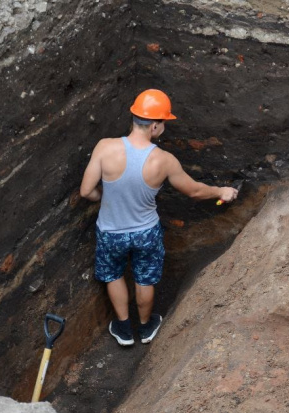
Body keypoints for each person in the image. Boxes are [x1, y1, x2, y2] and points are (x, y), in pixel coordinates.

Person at [80, 89, 238, 346]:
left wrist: (104, 197)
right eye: (164, 122)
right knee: (144, 279)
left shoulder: (104, 147)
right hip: (146, 232)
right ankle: (145, 326)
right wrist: (221, 191)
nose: (164, 127)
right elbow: (195, 191)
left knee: (113, 276)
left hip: (110, 231)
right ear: (154, 125)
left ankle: (122, 329)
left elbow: (86, 191)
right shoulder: (164, 161)